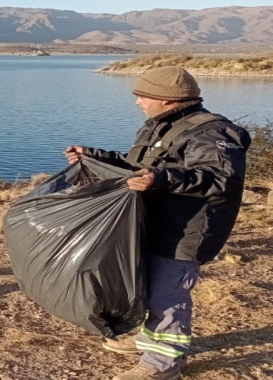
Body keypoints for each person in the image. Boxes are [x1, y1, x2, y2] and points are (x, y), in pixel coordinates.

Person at [64, 66, 250, 380]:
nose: (137, 102)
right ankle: (149, 341)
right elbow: (137, 166)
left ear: (167, 99)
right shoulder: (160, 126)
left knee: (168, 294)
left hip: (188, 230)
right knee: (151, 288)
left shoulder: (212, 132)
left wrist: (160, 179)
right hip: (155, 222)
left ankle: (162, 367)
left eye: (142, 96)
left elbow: (220, 179)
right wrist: (92, 156)